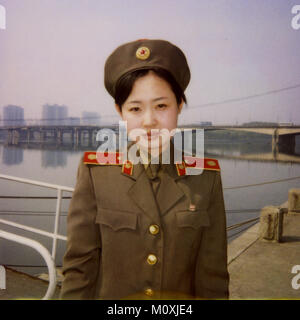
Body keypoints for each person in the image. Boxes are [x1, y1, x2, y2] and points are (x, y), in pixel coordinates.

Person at [60, 39, 229, 300]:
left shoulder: (205, 178)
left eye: (161, 106)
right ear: (120, 111)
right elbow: (79, 269)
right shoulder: (97, 174)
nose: (149, 121)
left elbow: (213, 278)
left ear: (179, 106)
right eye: (135, 108)